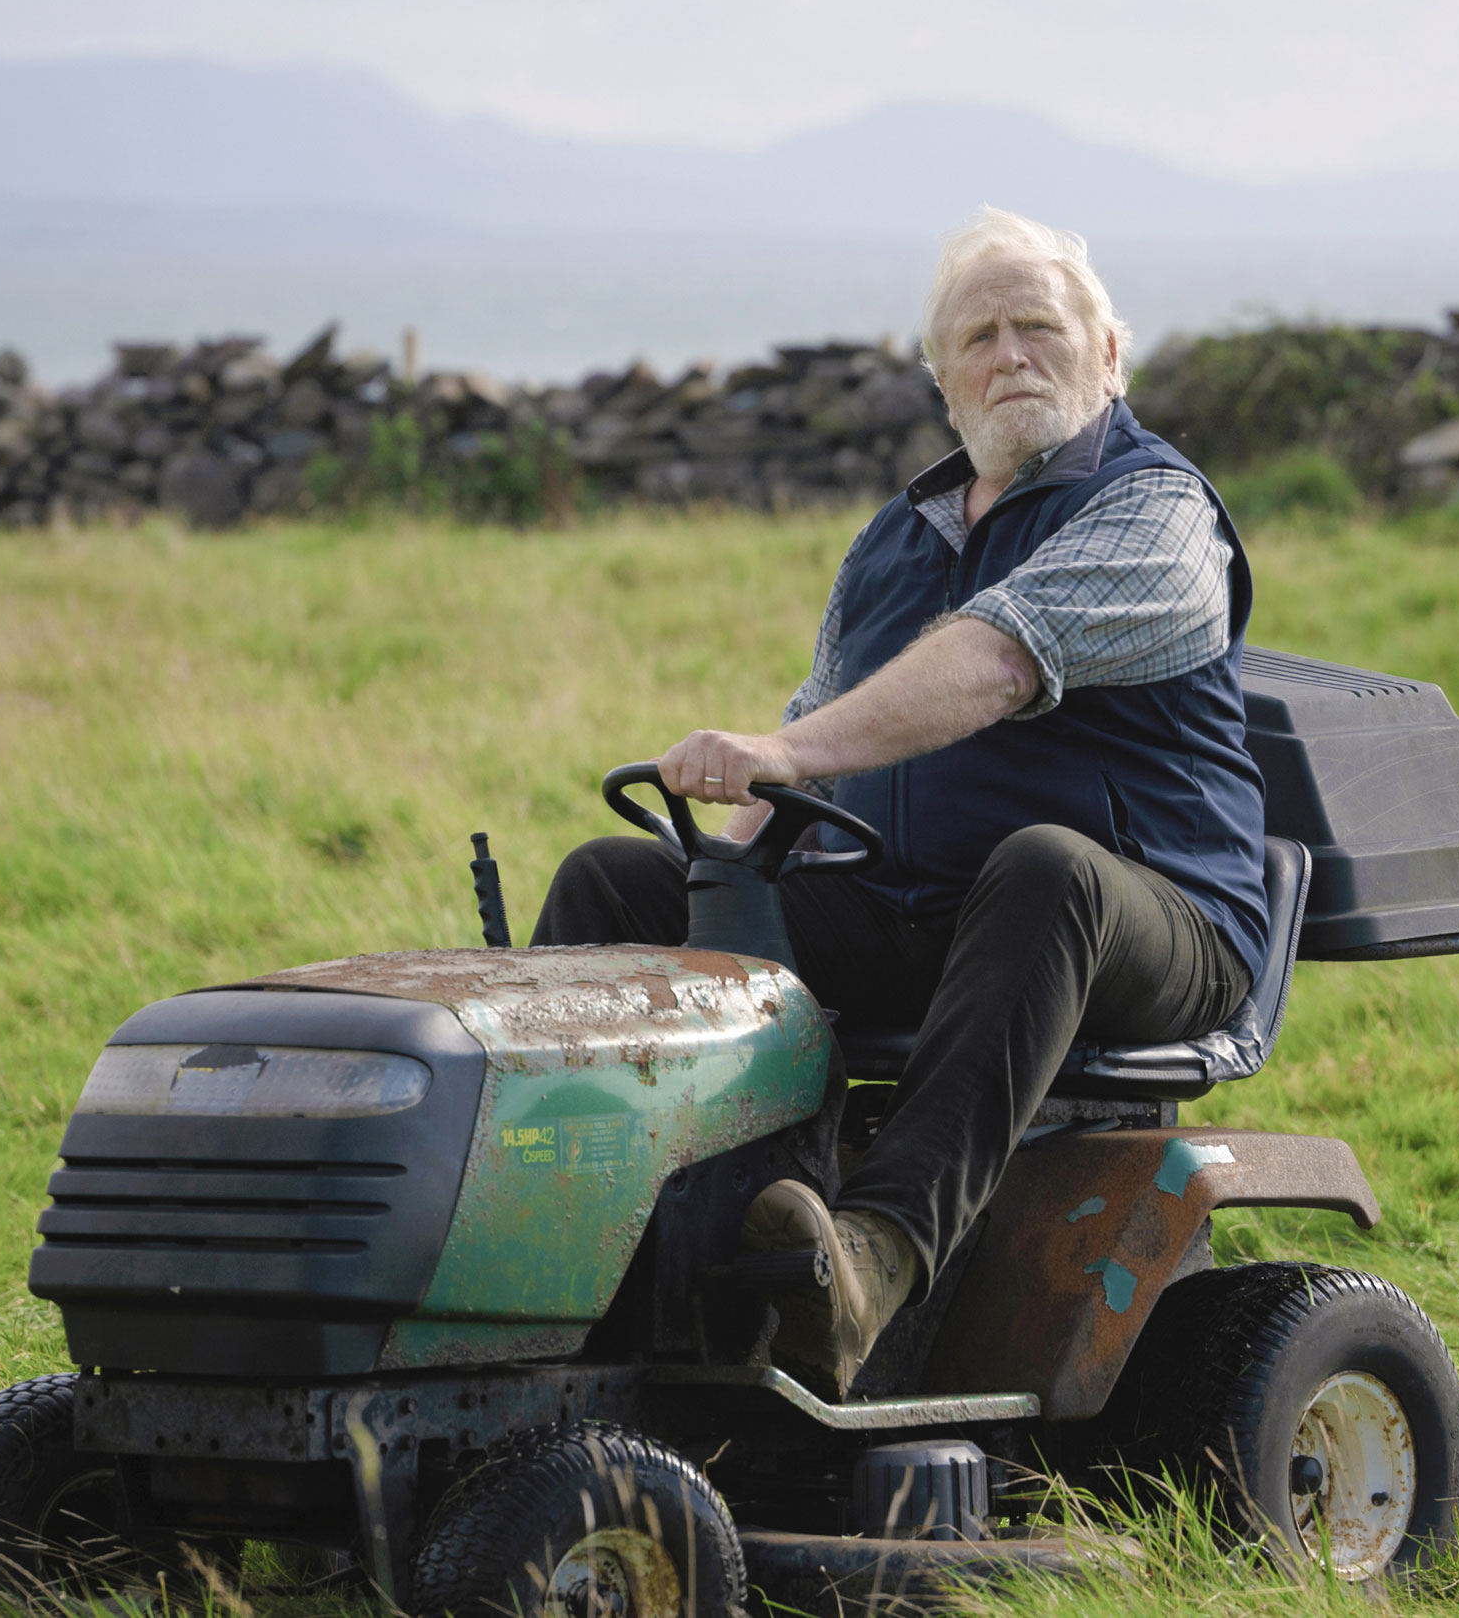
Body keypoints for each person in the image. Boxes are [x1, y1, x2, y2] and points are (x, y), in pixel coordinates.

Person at [530, 206, 1266, 1398]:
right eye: (978, 337)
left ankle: (874, 1260)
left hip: (1150, 919)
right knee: (618, 886)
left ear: (1109, 352)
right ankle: (585, 1252)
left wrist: (779, 749)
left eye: (1040, 327)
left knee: (1047, 867)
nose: (1010, 355)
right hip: (919, 912)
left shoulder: (1159, 510)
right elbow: (812, 756)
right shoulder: (894, 541)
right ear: (942, 381)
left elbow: (998, 659)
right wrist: (724, 873)